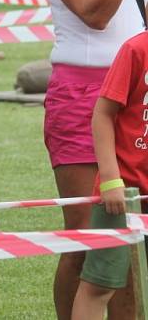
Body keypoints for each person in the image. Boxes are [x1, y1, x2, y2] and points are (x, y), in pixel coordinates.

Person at [35, 0, 148, 320]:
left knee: (128, 241)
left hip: (137, 95)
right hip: (82, 95)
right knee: (90, 239)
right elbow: (95, 13)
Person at [70, 30, 148, 319]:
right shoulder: (136, 49)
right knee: (100, 284)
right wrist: (112, 181)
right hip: (123, 193)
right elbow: (103, 115)